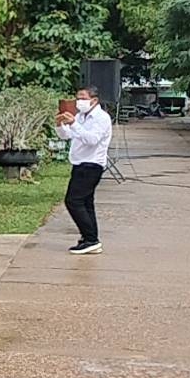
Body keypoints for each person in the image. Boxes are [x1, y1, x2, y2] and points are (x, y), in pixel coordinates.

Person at [57, 85, 112, 255]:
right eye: (77, 98)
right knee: (86, 203)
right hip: (79, 163)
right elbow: (67, 136)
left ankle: (90, 239)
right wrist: (60, 125)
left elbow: (92, 139)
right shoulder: (80, 116)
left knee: (73, 201)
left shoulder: (102, 118)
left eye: (82, 98)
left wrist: (74, 124)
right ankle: (89, 238)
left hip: (92, 164)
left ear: (94, 100)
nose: (79, 101)